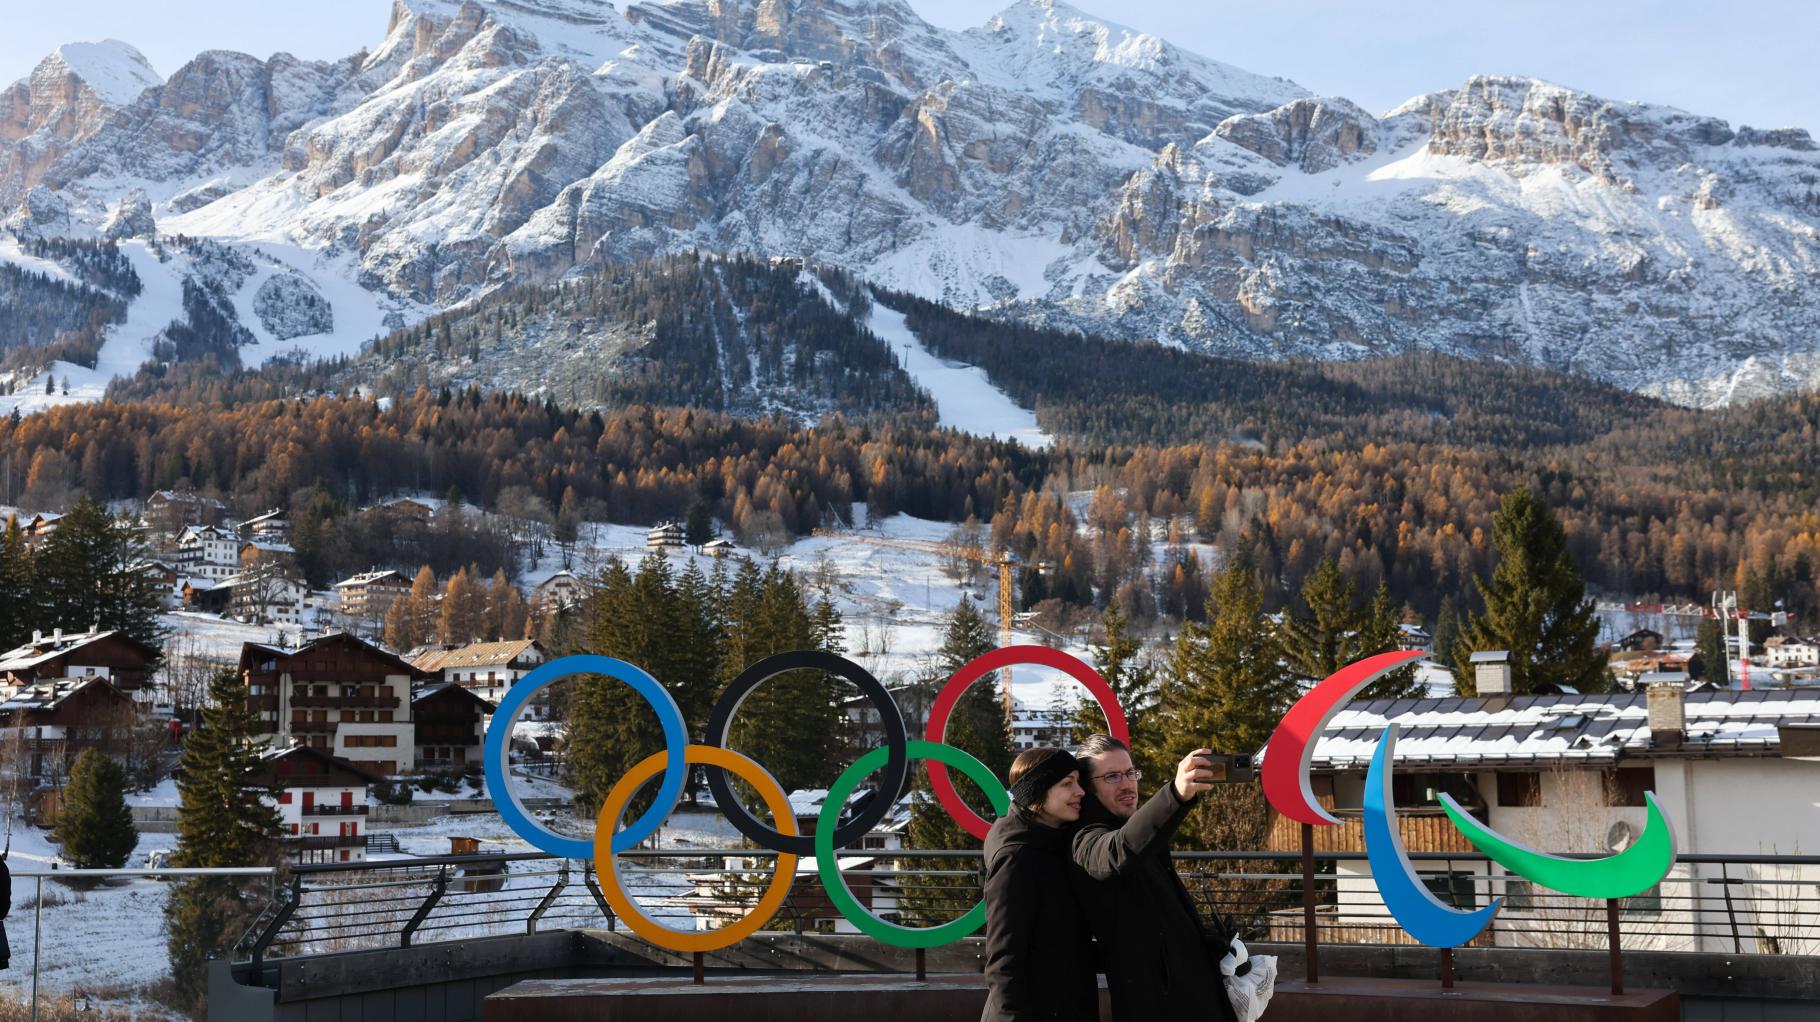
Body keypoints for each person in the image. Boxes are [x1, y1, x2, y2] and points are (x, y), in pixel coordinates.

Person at [1070, 734, 1237, 1022]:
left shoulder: (1137, 829)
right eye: (1111, 776)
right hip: (1157, 1007)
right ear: (1087, 787)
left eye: (1130, 773)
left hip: (1193, 996)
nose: (1127, 784)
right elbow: (1117, 852)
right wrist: (1175, 794)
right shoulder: (1085, 838)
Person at [980, 746, 1096, 1021]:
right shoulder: (1016, 860)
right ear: (1036, 794)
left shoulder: (1052, 843)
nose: (1080, 791)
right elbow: (1003, 962)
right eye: (1067, 784)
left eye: (1079, 782)